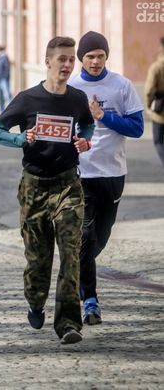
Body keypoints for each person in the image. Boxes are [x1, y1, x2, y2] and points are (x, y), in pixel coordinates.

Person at [0, 36, 94, 344]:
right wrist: (21, 139)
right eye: (62, 59)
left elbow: (87, 124)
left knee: (71, 254)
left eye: (71, 59)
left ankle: (68, 324)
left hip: (68, 185)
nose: (68, 64)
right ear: (47, 62)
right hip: (34, 187)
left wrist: (84, 140)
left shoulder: (77, 98)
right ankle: (35, 301)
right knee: (38, 259)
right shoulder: (27, 99)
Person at [69, 31, 144, 325]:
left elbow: (137, 128)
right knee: (86, 235)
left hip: (113, 173)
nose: (96, 61)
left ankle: (79, 269)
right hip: (82, 173)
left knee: (100, 237)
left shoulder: (121, 85)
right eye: (90, 56)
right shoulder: (72, 88)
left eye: (100, 56)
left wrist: (103, 116)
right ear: (82, 58)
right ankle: (90, 301)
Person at [145, 36, 164, 168]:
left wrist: (148, 105)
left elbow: (149, 90)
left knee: (158, 141)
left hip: (160, 110)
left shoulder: (157, 67)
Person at [0, 45, 12, 111]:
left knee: (7, 95)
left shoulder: (5, 58)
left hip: (4, 79)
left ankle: (11, 110)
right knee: (0, 96)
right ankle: (2, 110)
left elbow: (7, 69)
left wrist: (5, 77)